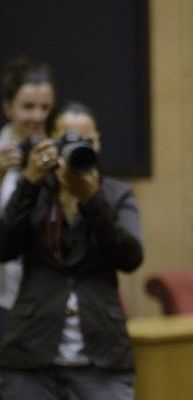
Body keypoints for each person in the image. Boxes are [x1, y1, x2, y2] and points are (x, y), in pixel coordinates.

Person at [0, 101, 143, 400]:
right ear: (49, 141)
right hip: (31, 357)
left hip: (102, 355)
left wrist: (91, 200)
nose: (77, 148)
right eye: (67, 140)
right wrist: (29, 181)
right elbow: (4, 247)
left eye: (86, 141)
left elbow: (130, 258)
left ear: (98, 143)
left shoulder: (116, 194)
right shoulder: (35, 191)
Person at [0, 57, 55, 344]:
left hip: (46, 303)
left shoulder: (59, 154)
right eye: (28, 107)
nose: (37, 117)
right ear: (7, 107)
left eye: (44, 107)